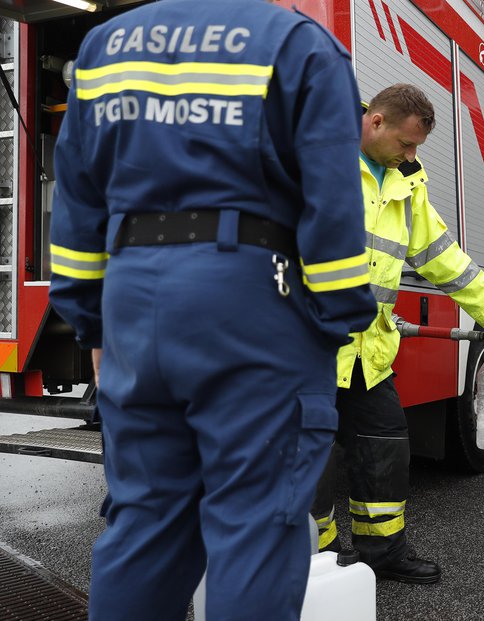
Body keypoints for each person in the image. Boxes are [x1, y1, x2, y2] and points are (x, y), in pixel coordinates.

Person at [48, 2, 377, 619]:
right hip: (252, 298)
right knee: (255, 522)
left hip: (133, 299)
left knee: (144, 522)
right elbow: (333, 207)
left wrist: (93, 324)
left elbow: (76, 200)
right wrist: (337, 321)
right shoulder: (298, 42)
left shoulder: (102, 47)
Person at [310, 84, 484, 584]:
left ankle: (382, 555)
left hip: (370, 351)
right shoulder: (317, 157)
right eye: (406, 143)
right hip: (309, 351)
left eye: (417, 147)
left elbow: (445, 260)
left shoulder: (406, 183)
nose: (412, 154)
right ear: (375, 121)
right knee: (307, 462)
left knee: (385, 450)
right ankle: (313, 558)